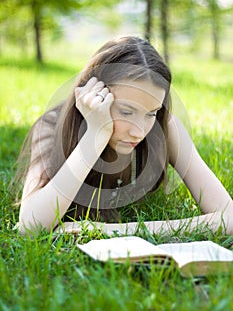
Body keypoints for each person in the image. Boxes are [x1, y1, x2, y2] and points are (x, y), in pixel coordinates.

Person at [15, 36, 233, 236]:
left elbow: (229, 217)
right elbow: (30, 227)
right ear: (95, 95)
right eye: (126, 112)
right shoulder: (52, 125)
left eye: (151, 113)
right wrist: (95, 135)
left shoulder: (165, 127)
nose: (138, 131)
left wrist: (109, 230)